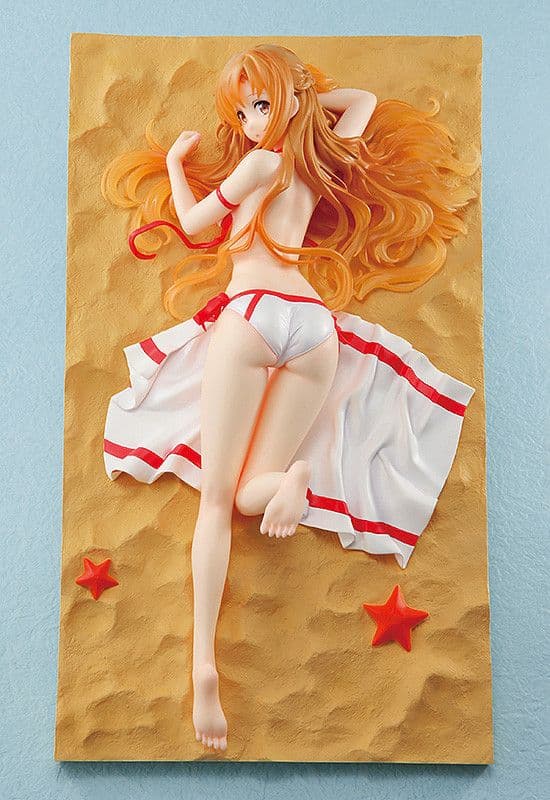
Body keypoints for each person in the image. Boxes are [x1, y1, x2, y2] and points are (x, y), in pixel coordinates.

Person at [101, 43, 479, 751]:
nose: (249, 121)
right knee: (254, 494)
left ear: (285, 103)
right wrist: (302, 101)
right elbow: (361, 102)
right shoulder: (318, 163)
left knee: (217, 502)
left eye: (259, 105)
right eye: (243, 111)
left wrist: (178, 163)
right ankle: (291, 478)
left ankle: (204, 666)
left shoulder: (260, 164)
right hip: (313, 328)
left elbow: (192, 224)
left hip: (252, 314)